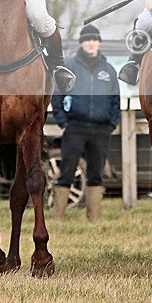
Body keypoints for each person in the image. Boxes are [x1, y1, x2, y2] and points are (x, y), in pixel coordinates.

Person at [51, 25, 121, 222]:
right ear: (82, 43)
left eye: (94, 39)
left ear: (98, 42)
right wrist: (63, 121)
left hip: (100, 130)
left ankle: (93, 219)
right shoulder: (70, 66)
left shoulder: (108, 70)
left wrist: (112, 123)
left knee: (96, 174)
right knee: (66, 172)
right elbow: (57, 96)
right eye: (87, 40)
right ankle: (58, 218)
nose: (91, 43)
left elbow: (115, 100)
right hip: (75, 128)